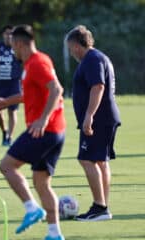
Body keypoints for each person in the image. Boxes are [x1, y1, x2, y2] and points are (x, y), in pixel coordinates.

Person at [0, 25, 66, 240]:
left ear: (19, 44)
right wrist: (5, 102)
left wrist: (42, 120)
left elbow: (56, 89)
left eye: (13, 44)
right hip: (56, 130)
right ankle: (54, 233)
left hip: (44, 130)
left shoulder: (37, 63)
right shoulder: (36, 61)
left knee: (6, 166)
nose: (11, 49)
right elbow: (30, 94)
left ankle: (32, 208)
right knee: (41, 181)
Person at [66, 25, 120, 221]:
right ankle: (103, 206)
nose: (71, 52)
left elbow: (98, 87)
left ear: (77, 45)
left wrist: (89, 116)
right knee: (100, 161)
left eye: (70, 47)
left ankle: (99, 207)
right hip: (105, 117)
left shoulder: (92, 59)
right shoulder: (97, 57)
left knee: (86, 159)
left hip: (99, 119)